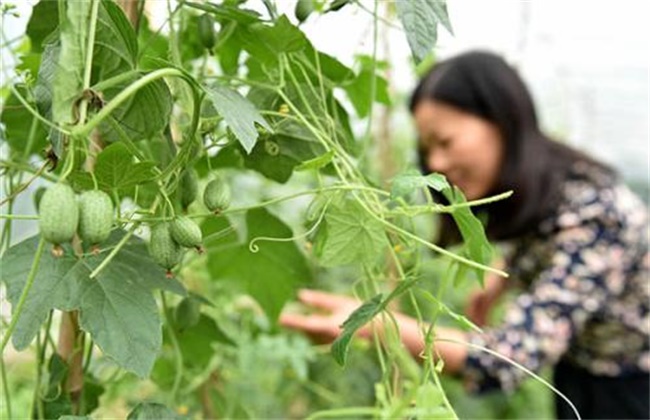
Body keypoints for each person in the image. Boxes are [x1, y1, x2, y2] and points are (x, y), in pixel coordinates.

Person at [280, 50, 650, 419]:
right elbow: (555, 250)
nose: (436, 163)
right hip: (584, 372)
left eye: (445, 142)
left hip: (633, 388)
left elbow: (510, 358)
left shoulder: (599, 215)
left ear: (501, 122)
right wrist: (504, 275)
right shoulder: (555, 188)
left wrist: (376, 326)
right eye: (427, 150)